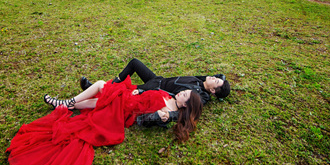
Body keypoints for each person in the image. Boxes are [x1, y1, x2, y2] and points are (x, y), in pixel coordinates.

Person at [6, 76, 202, 165]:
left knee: (101, 86)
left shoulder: (169, 113)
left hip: (127, 110)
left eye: (185, 95)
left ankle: (66, 102)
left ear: (185, 105)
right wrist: (137, 92)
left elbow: (148, 119)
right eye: (184, 91)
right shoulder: (168, 96)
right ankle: (65, 103)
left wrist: (160, 117)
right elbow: (146, 93)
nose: (182, 92)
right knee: (100, 101)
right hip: (129, 99)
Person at [80, 58, 230, 127]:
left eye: (216, 81)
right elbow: (210, 79)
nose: (213, 77)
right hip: (157, 79)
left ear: (212, 91)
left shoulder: (201, 95)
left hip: (154, 89)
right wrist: (220, 79)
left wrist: (168, 115)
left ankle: (98, 88)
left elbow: (188, 110)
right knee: (134, 63)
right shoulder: (201, 81)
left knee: (123, 93)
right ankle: (107, 86)